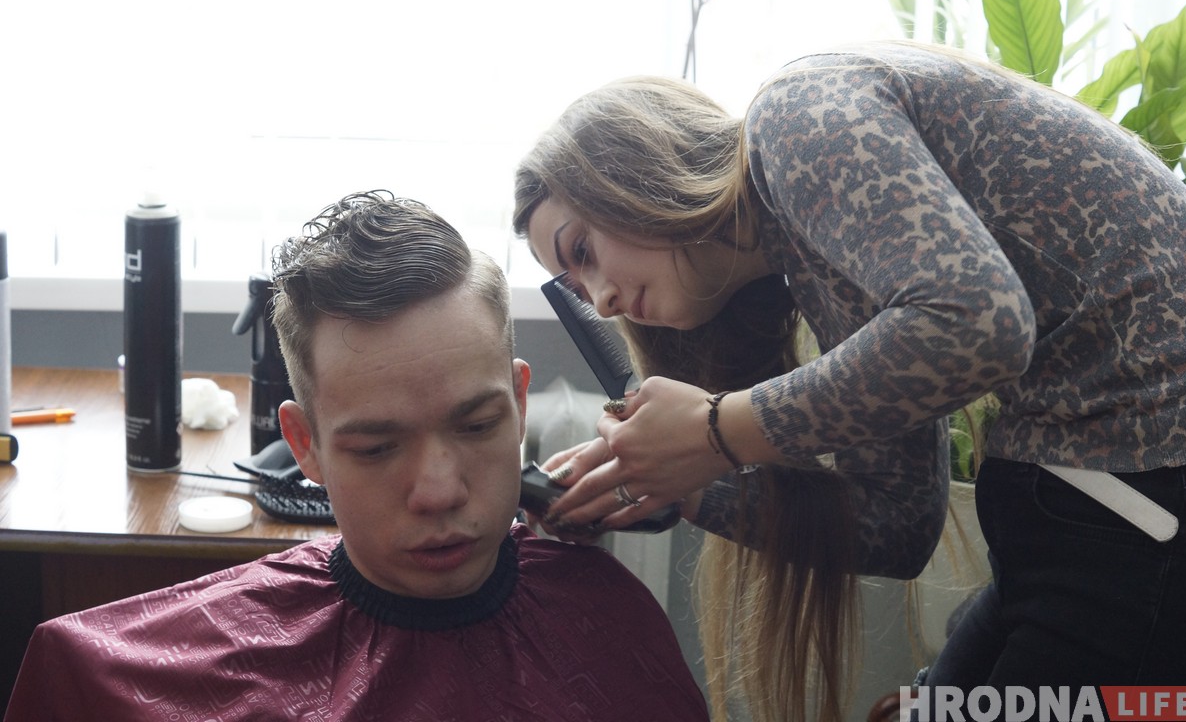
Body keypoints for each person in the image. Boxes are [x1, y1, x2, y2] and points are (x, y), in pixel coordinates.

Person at [512, 42, 1186, 722]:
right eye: (578, 289)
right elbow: (899, 524)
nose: (602, 302)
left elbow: (982, 322)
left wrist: (716, 430)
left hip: (1153, 485)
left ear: (634, 173)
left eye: (583, 251)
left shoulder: (797, 114)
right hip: (1079, 512)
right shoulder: (816, 264)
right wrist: (681, 487)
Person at [3, 191, 710, 722]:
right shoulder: (143, 672)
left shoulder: (610, 619)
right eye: (376, 448)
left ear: (520, 405)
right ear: (304, 446)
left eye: (476, 426)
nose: (439, 491)